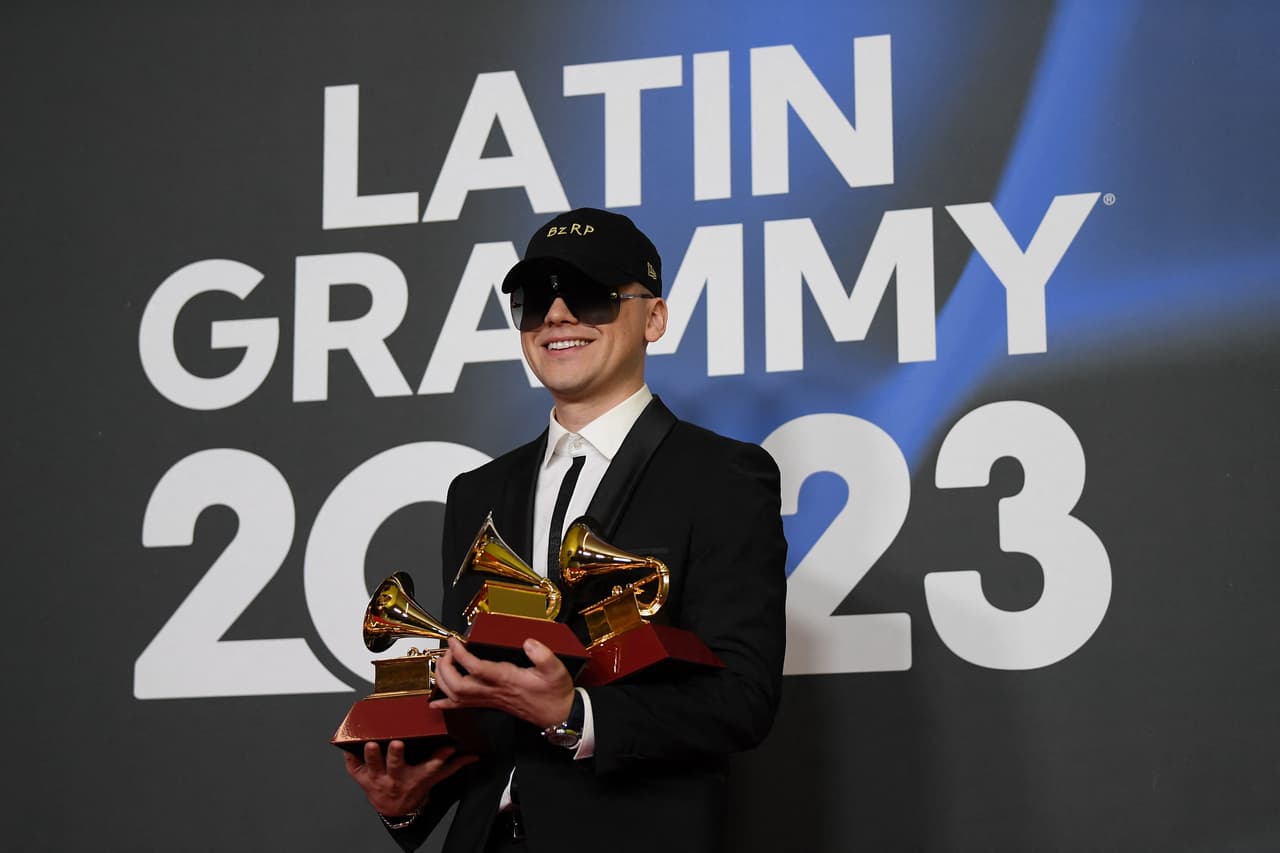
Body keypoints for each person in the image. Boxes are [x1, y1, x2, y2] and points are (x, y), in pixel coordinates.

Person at [344, 208, 787, 853]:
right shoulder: (476, 494)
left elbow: (743, 698)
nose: (555, 316)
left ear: (654, 318)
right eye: (533, 301)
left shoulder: (722, 476)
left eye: (588, 295)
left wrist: (574, 715)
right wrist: (408, 804)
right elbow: (477, 698)